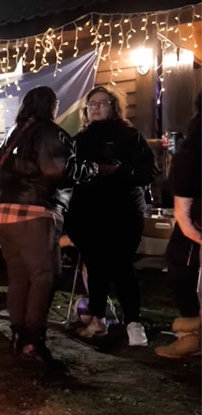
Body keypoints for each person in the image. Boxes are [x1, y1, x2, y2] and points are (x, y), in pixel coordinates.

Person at [0, 86, 97, 362]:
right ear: (50, 106)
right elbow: (57, 169)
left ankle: (18, 336)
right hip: (34, 215)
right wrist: (90, 169)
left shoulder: (15, 135)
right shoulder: (49, 131)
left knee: (19, 277)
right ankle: (32, 340)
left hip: (4, 215)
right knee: (43, 277)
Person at [65, 86, 158, 346]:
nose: (95, 108)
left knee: (122, 268)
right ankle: (98, 319)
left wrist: (119, 172)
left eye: (101, 103)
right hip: (90, 214)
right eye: (91, 104)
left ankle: (134, 324)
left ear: (113, 106)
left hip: (123, 212)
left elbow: (149, 171)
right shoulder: (80, 139)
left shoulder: (129, 136)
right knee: (95, 268)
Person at [156, 90, 201, 358]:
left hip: (196, 216)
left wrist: (183, 217)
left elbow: (184, 171)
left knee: (182, 268)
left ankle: (191, 335)